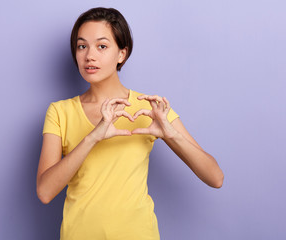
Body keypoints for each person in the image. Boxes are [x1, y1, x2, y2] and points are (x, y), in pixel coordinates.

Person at [36, 7, 224, 240]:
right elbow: (45, 192)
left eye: (102, 46)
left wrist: (170, 134)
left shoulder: (151, 108)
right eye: (82, 46)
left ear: (122, 54)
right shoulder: (60, 112)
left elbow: (215, 177)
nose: (89, 56)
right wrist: (93, 137)